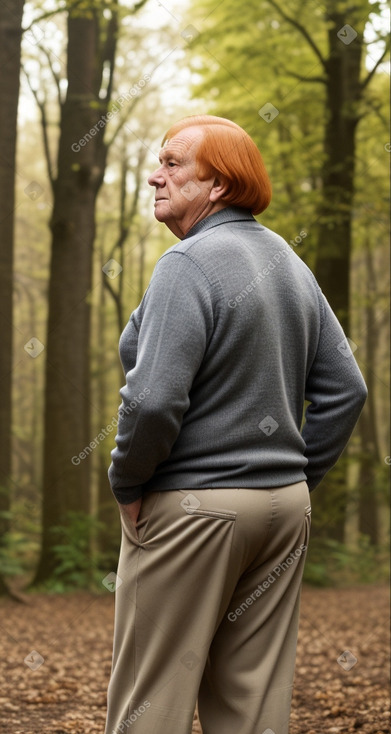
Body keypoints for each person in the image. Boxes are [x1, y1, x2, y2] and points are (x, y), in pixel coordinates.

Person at [104, 115, 367, 734]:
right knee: (252, 710)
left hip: (193, 510)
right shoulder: (288, 262)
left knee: (152, 702)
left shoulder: (186, 264)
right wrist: (293, 479)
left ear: (218, 184)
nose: (153, 176)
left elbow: (152, 401)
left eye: (172, 164)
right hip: (282, 512)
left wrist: (128, 483)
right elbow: (346, 389)